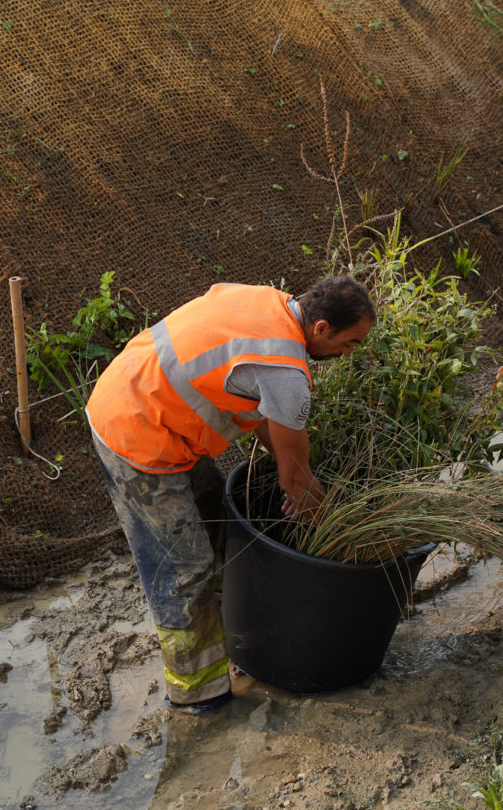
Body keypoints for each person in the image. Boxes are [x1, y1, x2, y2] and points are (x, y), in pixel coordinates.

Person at [86, 276, 375, 714]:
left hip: (145, 397)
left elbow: (263, 422)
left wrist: (292, 466)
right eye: (350, 342)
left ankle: (230, 632)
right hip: (135, 433)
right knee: (184, 570)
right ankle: (197, 695)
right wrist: (340, 535)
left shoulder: (268, 303)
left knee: (215, 515)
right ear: (321, 328)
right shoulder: (287, 373)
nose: (350, 353)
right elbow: (296, 481)